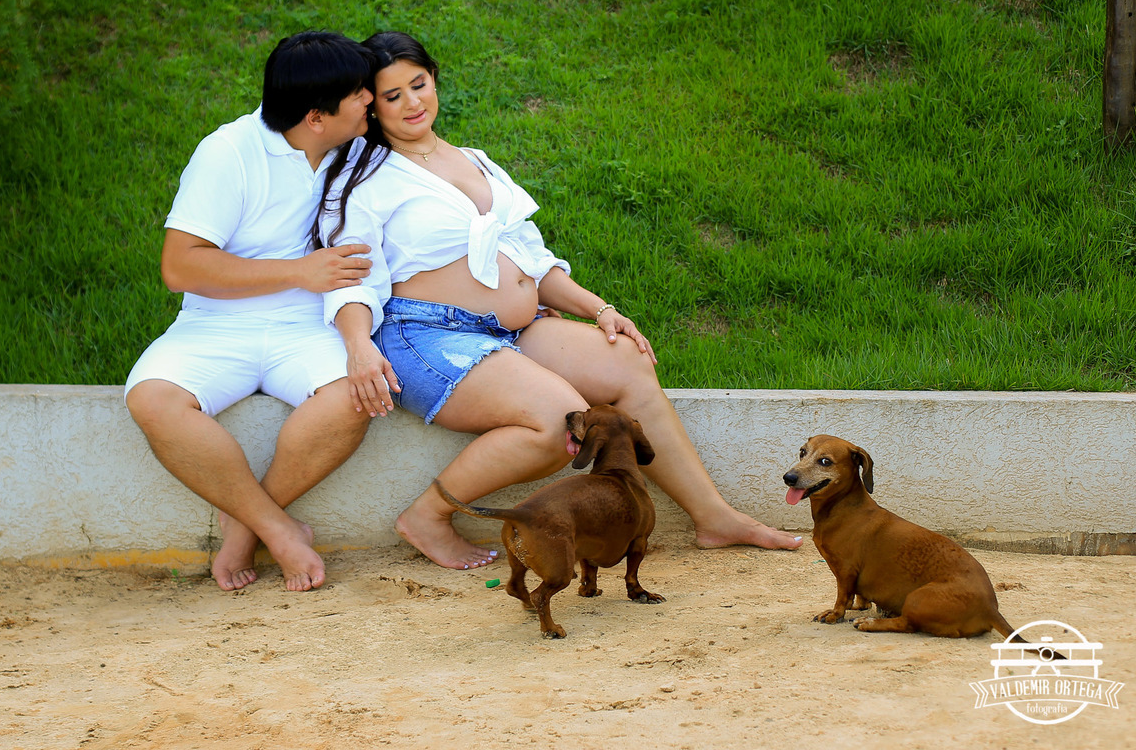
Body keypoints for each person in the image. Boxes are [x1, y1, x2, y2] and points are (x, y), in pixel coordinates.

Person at [315, 31, 803, 571]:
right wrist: (358, 346)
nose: (412, 102)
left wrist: (601, 309)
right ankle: (427, 515)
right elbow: (349, 277)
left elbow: (533, 260)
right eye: (393, 95)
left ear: (434, 79)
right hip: (427, 337)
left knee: (625, 359)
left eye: (419, 84)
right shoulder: (365, 178)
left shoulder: (474, 160)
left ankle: (714, 517)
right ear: (370, 104)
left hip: (509, 330)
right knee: (557, 422)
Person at [125, 31, 378, 592]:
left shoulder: (361, 148)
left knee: (355, 396)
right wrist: (298, 272)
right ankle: (280, 530)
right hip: (217, 322)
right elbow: (181, 267)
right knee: (152, 400)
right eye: (359, 92)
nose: (371, 98)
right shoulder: (228, 152)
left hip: (309, 325)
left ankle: (245, 528)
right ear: (316, 117)